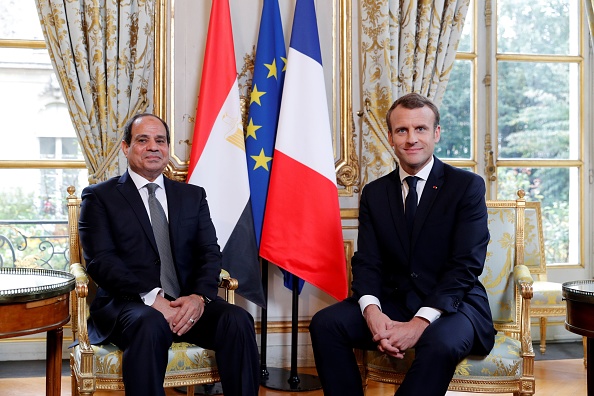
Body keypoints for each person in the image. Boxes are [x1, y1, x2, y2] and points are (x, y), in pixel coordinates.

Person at [309, 93, 496, 396]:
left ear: (436, 133)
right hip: (394, 299)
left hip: (453, 306)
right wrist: (372, 312)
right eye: (402, 130)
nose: (411, 139)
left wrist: (418, 323)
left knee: (440, 343)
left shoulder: (466, 186)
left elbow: (465, 266)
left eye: (420, 129)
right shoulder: (374, 193)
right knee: (326, 323)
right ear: (391, 137)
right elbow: (368, 261)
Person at [78, 113, 260, 396]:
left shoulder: (192, 196)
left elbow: (209, 252)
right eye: (143, 140)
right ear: (126, 148)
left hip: (187, 302)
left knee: (237, 320)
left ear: (167, 149)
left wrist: (199, 297)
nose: (153, 147)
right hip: (130, 305)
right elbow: (101, 262)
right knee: (149, 323)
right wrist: (153, 298)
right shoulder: (99, 197)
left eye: (160, 140)